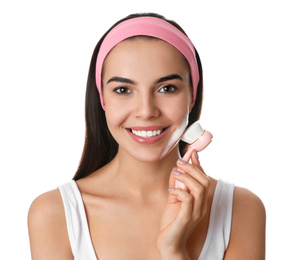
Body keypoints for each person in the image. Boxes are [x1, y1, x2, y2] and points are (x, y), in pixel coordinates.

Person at [28, 13, 266, 260]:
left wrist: (173, 250)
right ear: (102, 99)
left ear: (192, 96)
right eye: (123, 90)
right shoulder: (54, 214)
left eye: (167, 88)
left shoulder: (241, 210)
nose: (146, 111)